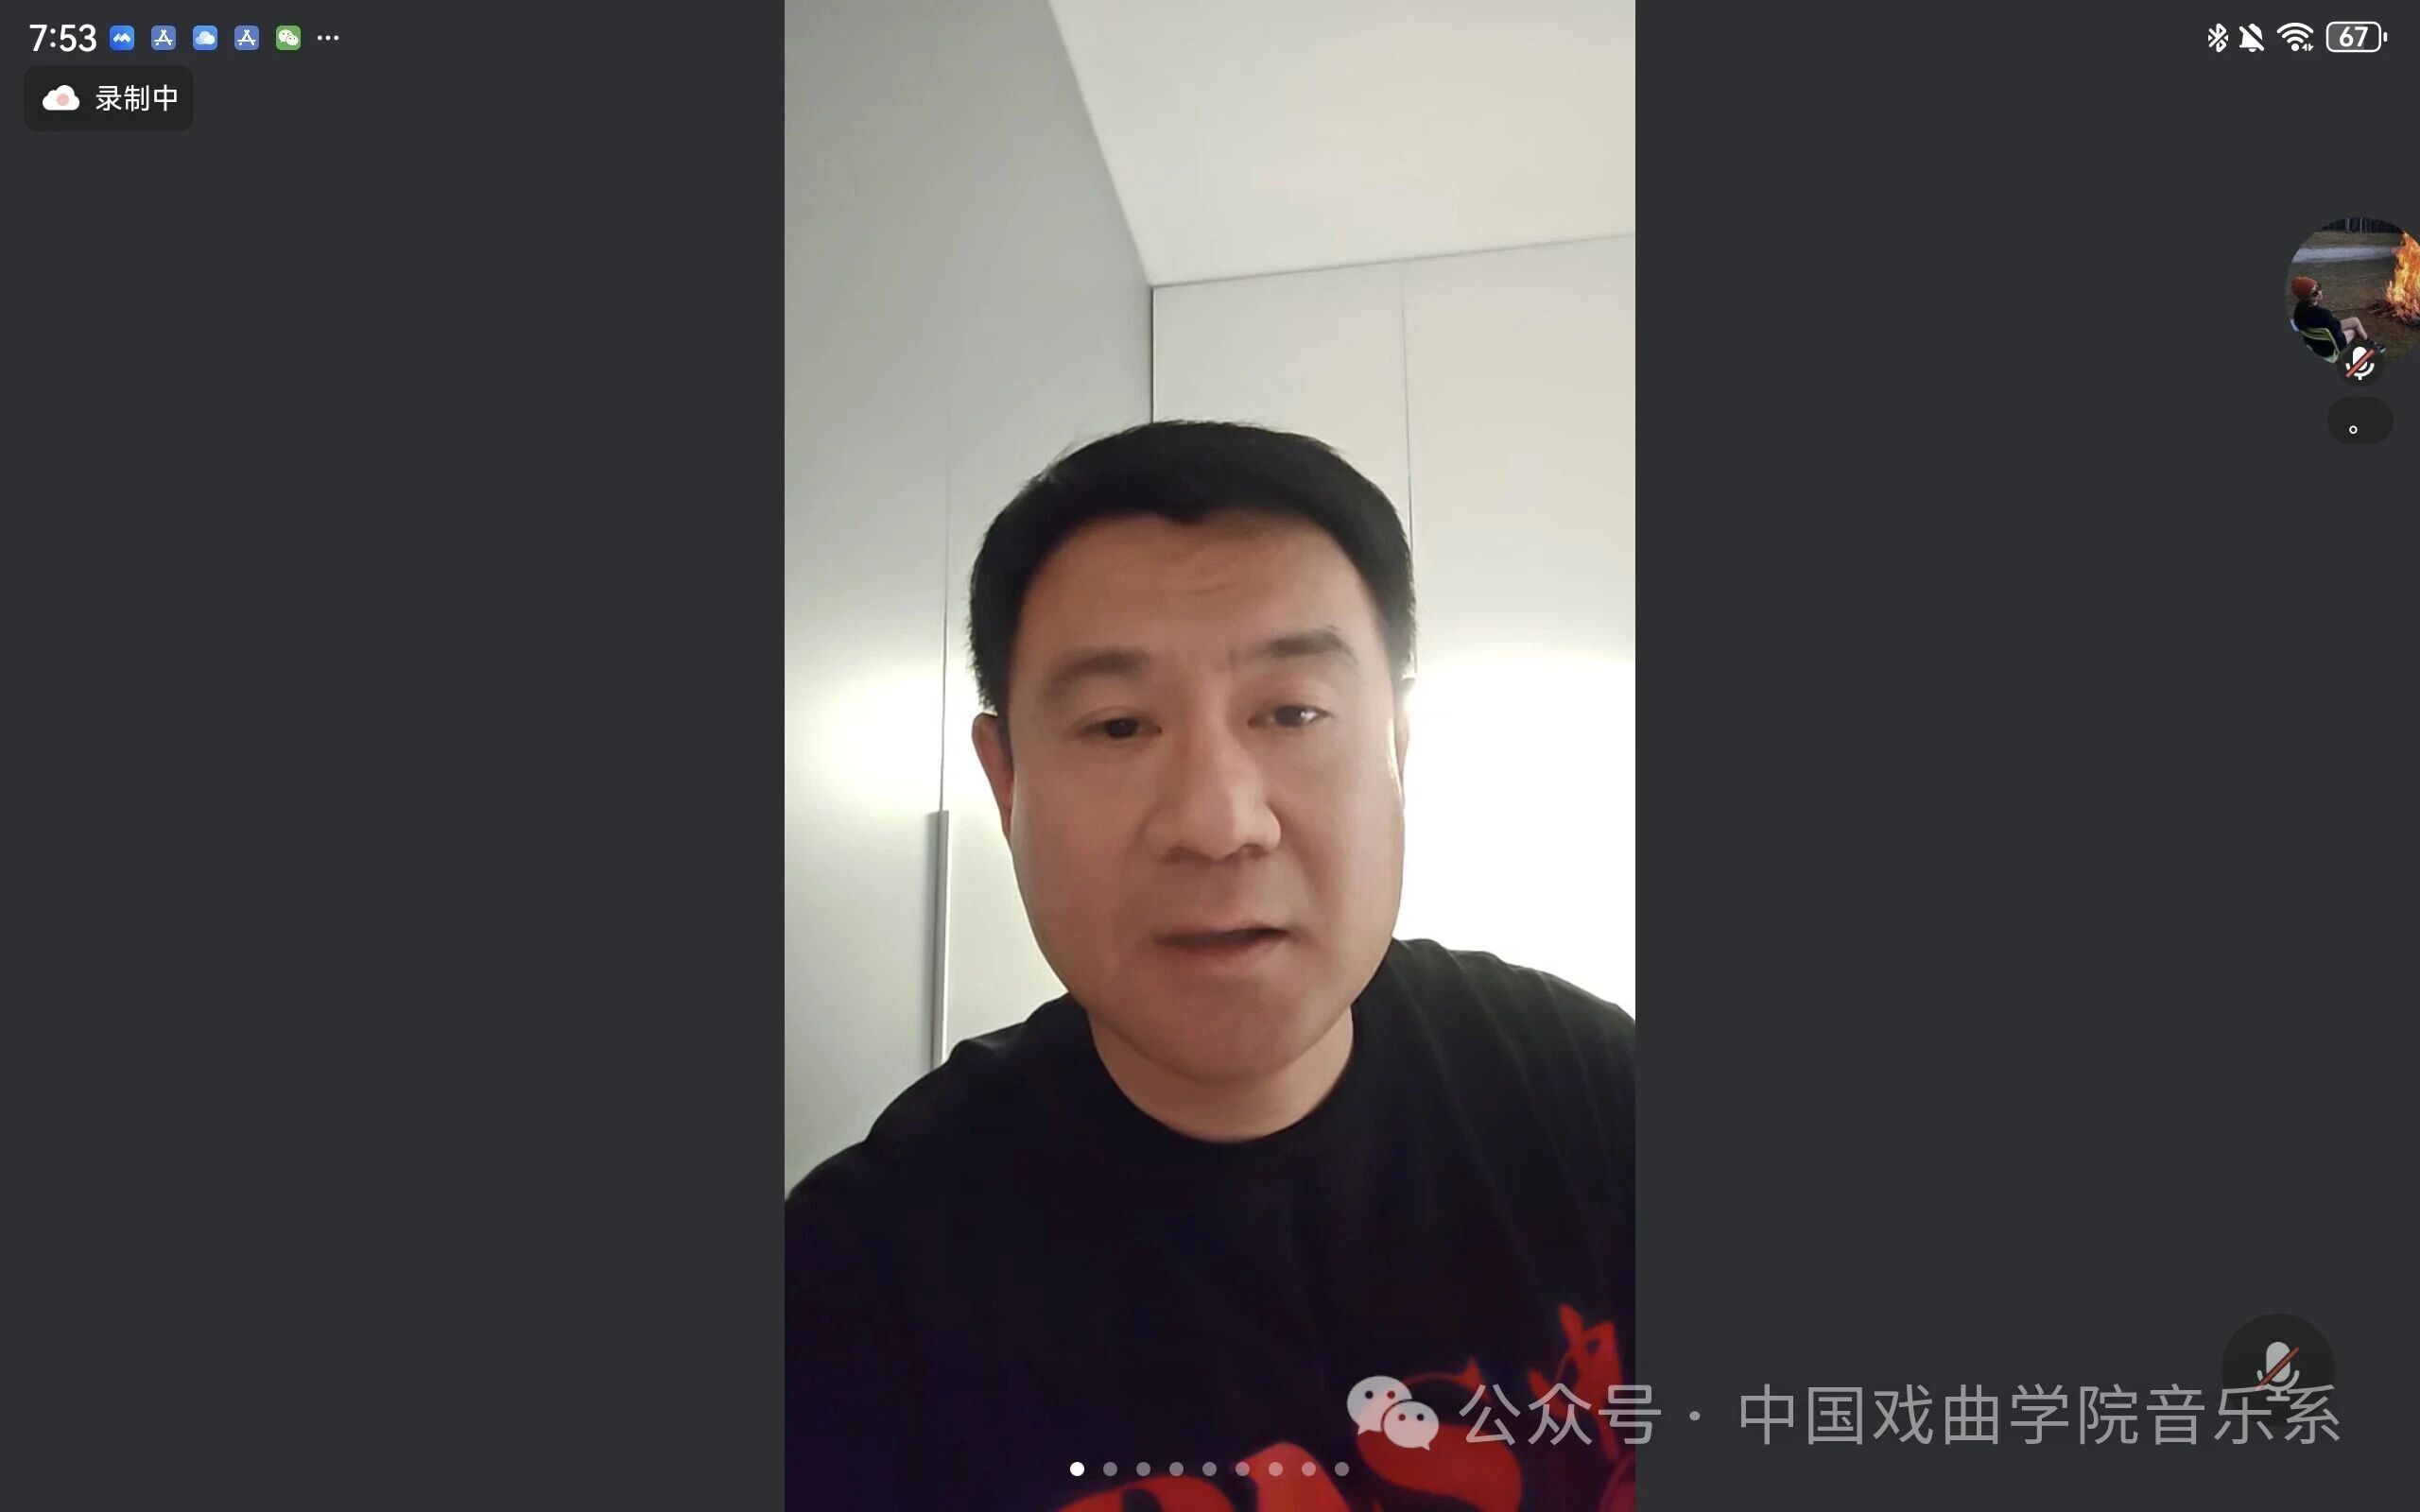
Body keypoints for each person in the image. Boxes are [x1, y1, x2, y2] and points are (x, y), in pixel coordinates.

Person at [786, 420, 1635, 1512]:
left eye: (1293, 711)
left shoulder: (1595, 1098)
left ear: (1397, 747)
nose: (1218, 821)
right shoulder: (856, 1284)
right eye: (1117, 725)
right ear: (1006, 785)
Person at [2290, 273, 2371, 364]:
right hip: (2327, 349)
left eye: (2318, 287)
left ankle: (2365, 340)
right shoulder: (2324, 314)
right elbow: (2337, 334)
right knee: (2354, 330)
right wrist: (2333, 320)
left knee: (2354, 320)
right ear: (2306, 298)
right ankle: (2370, 344)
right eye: (2314, 293)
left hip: (2312, 343)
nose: (2319, 292)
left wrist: (2333, 321)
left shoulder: (2299, 309)